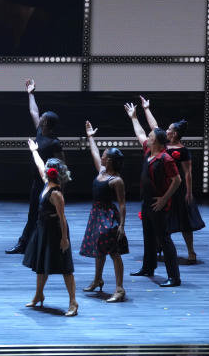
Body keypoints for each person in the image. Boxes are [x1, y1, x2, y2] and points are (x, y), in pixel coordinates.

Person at [140, 96, 204, 263]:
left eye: (168, 129)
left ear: (174, 133)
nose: (165, 131)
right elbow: (154, 127)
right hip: (162, 188)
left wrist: (189, 193)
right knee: (161, 220)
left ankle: (191, 251)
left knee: (185, 222)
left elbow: (187, 173)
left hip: (177, 189)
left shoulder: (182, 150)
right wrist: (146, 109)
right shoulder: (163, 144)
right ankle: (159, 246)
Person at [125, 102, 181, 287]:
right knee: (148, 236)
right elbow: (140, 133)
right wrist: (134, 117)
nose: (147, 138)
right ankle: (148, 268)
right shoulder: (149, 151)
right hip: (146, 202)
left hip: (159, 203)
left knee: (164, 239)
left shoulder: (166, 158)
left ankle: (174, 277)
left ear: (156, 141)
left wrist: (164, 199)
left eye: (150, 137)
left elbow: (177, 180)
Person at [7, 78, 64, 254]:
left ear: (47, 123)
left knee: (46, 214)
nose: (40, 119)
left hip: (48, 183)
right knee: (34, 214)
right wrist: (31, 94)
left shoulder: (54, 143)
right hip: (36, 182)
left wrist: (60, 187)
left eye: (43, 119)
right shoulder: (40, 132)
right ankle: (26, 244)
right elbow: (34, 110)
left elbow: (62, 164)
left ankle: (43, 244)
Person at [21, 138, 78, 316]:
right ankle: (39, 295)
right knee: (40, 264)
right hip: (43, 228)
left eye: (47, 168)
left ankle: (73, 303)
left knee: (65, 268)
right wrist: (34, 151)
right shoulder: (46, 182)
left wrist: (64, 238)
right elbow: (39, 164)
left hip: (55, 230)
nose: (45, 169)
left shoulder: (56, 193)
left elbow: (62, 218)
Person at [78, 121, 127, 302]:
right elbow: (94, 152)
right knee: (99, 249)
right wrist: (91, 137)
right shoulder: (102, 171)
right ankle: (98, 279)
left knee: (114, 251)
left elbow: (122, 204)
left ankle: (120, 289)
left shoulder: (116, 180)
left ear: (111, 160)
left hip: (108, 216)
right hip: (96, 215)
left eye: (105, 156)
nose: (102, 157)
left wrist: (122, 224)